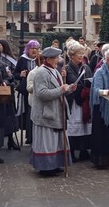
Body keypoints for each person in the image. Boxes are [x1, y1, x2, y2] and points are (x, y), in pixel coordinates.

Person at [29, 46, 75, 176]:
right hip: (46, 114)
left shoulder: (54, 71)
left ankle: (53, 164)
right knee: (47, 142)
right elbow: (42, 93)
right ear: (48, 59)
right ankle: (45, 167)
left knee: (55, 142)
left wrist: (69, 88)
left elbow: (59, 89)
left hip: (55, 112)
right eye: (56, 58)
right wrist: (62, 90)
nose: (58, 60)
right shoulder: (42, 72)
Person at [64, 41, 93, 162]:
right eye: (78, 54)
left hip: (84, 100)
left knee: (85, 126)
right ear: (71, 56)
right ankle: (71, 150)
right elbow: (64, 85)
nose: (81, 56)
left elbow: (91, 81)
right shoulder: (66, 69)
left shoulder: (86, 68)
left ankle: (83, 150)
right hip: (73, 101)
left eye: (82, 53)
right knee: (72, 127)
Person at [15, 39, 40, 145]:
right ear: (28, 49)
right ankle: (29, 136)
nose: (34, 50)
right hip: (26, 90)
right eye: (32, 48)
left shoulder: (40, 59)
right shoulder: (22, 59)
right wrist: (20, 75)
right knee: (28, 112)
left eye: (36, 48)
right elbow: (15, 73)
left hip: (38, 89)